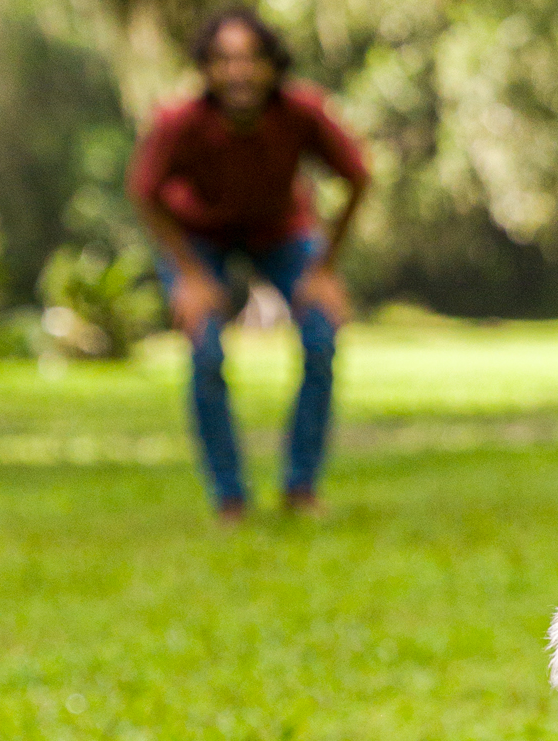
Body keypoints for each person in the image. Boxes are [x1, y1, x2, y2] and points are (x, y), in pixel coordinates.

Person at [128, 7, 369, 521]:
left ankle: (300, 489)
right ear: (207, 69)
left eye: (250, 59)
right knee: (206, 352)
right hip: (198, 238)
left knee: (322, 338)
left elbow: (358, 178)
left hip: (281, 232)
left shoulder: (302, 112)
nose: (238, 72)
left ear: (271, 66)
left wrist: (324, 269)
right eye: (224, 60)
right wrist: (189, 278)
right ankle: (229, 498)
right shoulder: (180, 122)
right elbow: (144, 192)